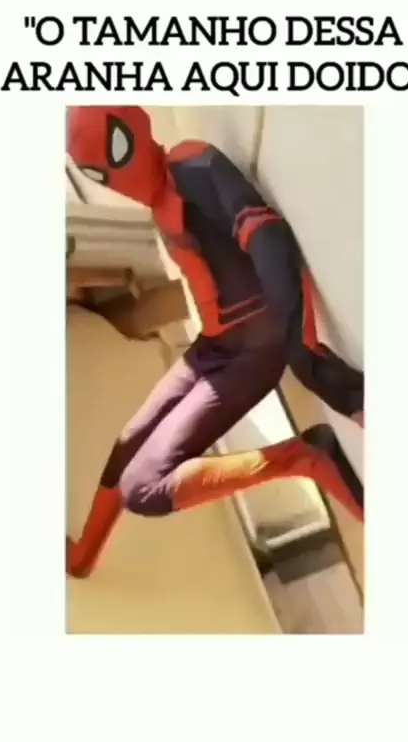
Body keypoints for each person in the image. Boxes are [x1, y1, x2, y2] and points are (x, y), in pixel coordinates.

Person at [66, 106, 364, 579]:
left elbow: (266, 235)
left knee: (143, 488)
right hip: (215, 344)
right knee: (129, 442)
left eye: (116, 154)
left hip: (253, 349)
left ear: (139, 129)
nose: (117, 180)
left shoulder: (191, 166)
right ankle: (85, 555)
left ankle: (306, 457)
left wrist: (303, 350)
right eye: (97, 174)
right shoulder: (162, 200)